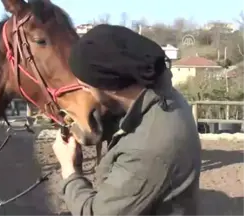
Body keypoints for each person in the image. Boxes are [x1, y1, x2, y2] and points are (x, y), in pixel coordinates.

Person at [52, 24, 201, 216]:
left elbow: (95, 213)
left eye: (87, 87)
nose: (88, 94)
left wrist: (70, 170)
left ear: (111, 88)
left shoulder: (149, 148)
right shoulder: (165, 97)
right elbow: (127, 122)